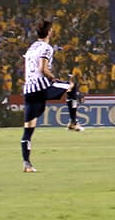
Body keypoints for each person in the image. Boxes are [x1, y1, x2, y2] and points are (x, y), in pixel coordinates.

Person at [21, 20, 84, 173]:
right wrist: (53, 78)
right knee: (71, 86)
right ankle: (73, 122)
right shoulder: (46, 48)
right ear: (49, 32)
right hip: (42, 87)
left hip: (29, 89)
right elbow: (42, 68)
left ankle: (27, 164)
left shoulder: (31, 47)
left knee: (28, 129)